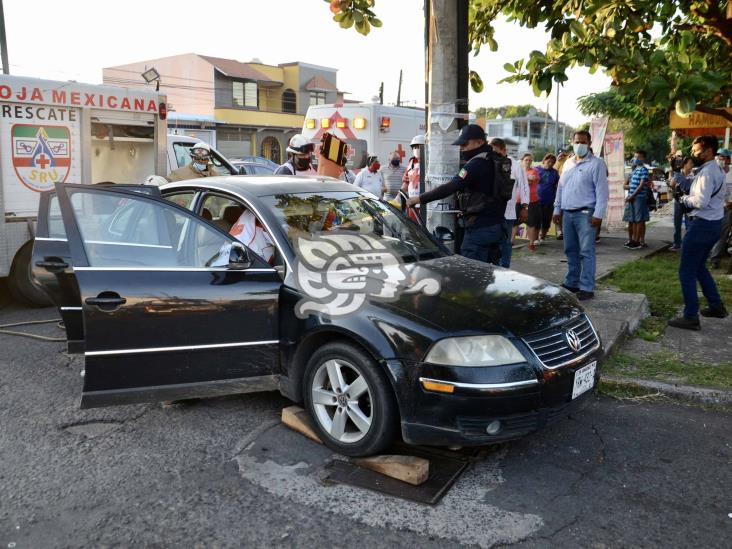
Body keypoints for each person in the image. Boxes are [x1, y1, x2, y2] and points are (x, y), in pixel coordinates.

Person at [408, 124, 505, 262]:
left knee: (471, 272)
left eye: (465, 144)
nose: (462, 148)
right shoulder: (494, 159)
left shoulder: (476, 164)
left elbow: (451, 186)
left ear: (479, 142)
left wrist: (419, 199)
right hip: (496, 226)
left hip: (479, 229)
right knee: (489, 272)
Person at [668, 135, 729, 329]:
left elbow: (699, 201)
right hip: (712, 224)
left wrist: (683, 200)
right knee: (700, 267)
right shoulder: (711, 170)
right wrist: (677, 173)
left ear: (708, 150)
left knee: (686, 271)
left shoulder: (707, 172)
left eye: (696, 151)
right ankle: (716, 305)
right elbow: (690, 187)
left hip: (702, 224)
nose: (693, 154)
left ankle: (691, 316)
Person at [552, 130, 609, 300]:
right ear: (572, 142)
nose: (579, 145)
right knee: (570, 250)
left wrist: (598, 214)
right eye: (577, 142)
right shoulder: (568, 163)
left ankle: (587, 286)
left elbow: (602, 192)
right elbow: (560, 188)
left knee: (586, 251)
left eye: (583, 142)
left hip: (586, 213)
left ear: (589, 144)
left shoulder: (597, 164)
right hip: (567, 213)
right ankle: (572, 282)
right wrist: (557, 209)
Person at [489, 138, 529, 268]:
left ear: (504, 150)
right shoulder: (488, 163)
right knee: (490, 242)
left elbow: (524, 186)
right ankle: (492, 267)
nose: (493, 153)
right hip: (490, 210)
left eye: (496, 151)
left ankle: (504, 268)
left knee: (506, 242)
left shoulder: (515, 165)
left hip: (508, 211)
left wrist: (525, 206)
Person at [622, 150, 650, 250]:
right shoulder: (634, 170)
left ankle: (637, 241)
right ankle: (633, 240)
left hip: (639, 198)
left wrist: (632, 195)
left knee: (638, 220)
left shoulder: (644, 170)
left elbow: (641, 185)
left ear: (643, 158)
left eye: (638, 157)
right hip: (632, 197)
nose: (636, 159)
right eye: (635, 157)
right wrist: (629, 193)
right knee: (632, 220)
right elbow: (628, 185)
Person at [709, 148, 732, 267]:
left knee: (724, 232)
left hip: (729, 207)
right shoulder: (714, 172)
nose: (720, 159)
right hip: (718, 207)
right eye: (718, 157)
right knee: (717, 231)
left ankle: (717, 255)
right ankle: (714, 256)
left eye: (723, 157)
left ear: (728, 159)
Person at [668, 155, 694, 251]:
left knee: (689, 224)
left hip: (689, 202)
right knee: (677, 224)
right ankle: (677, 243)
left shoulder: (694, 175)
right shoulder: (678, 174)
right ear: (684, 165)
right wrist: (674, 184)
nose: (692, 165)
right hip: (678, 202)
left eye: (692, 163)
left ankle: (687, 244)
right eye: (690, 163)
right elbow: (671, 185)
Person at [536, 154, 560, 242]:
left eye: (553, 162)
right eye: (549, 161)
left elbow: (559, 185)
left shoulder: (554, 172)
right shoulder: (537, 169)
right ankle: (535, 237)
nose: (550, 164)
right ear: (544, 160)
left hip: (549, 200)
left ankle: (542, 237)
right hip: (537, 200)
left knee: (546, 220)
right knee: (537, 220)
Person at [521, 153, 541, 251]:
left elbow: (531, 180)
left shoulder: (535, 171)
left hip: (532, 200)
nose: (528, 162)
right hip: (519, 200)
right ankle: (511, 242)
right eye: (526, 160)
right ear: (522, 161)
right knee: (515, 223)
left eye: (530, 160)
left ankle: (531, 243)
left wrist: (522, 179)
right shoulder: (519, 171)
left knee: (531, 223)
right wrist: (526, 179)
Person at [401, 134, 424, 220]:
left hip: (424, 202)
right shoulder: (411, 163)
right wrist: (398, 198)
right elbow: (405, 183)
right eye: (414, 147)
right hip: (412, 203)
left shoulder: (429, 162)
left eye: (418, 146)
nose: (416, 149)